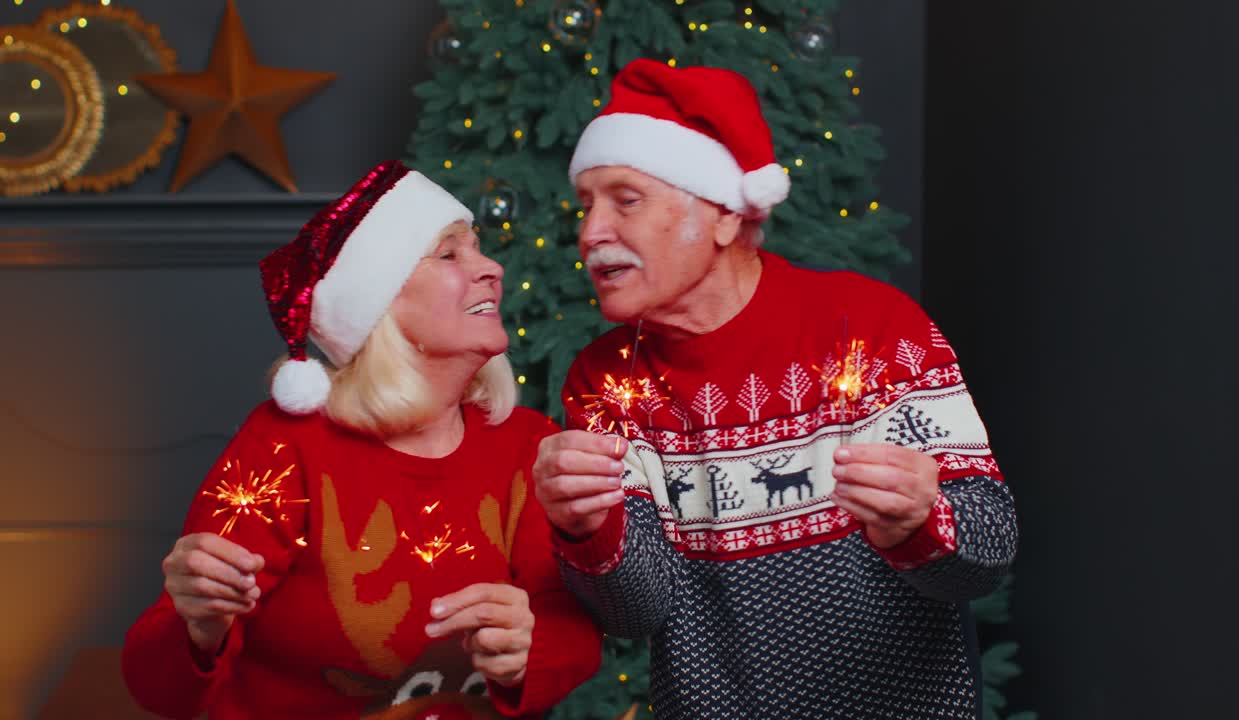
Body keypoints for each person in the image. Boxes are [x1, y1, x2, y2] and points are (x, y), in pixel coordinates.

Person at [532, 59, 1018, 719]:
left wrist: (923, 522)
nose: (590, 233)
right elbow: (636, 612)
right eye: (586, 204)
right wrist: (586, 525)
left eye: (626, 200)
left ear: (722, 217)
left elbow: (988, 551)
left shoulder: (872, 330)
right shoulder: (607, 381)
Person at [122, 160, 601, 720]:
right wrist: (200, 626)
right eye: (449, 255)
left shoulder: (527, 444)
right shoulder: (285, 443)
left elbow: (572, 629)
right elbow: (160, 688)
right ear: (381, 303)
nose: (492, 268)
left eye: (478, 249)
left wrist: (526, 652)